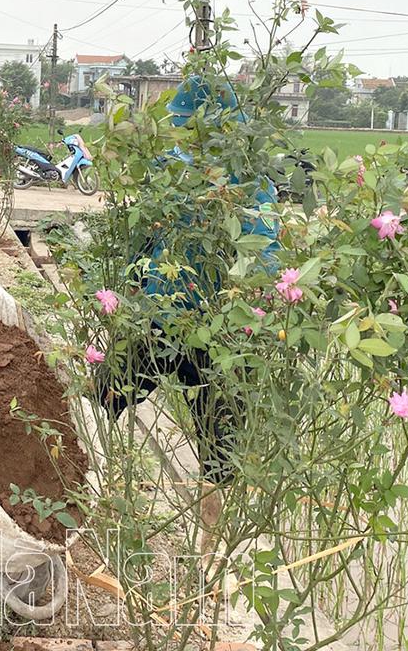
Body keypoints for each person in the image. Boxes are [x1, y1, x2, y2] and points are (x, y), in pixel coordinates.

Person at [95, 75, 278, 548]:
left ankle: (207, 547)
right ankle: (106, 500)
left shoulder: (245, 181)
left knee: (215, 443)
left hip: (208, 332)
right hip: (174, 324)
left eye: (184, 124)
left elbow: (265, 256)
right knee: (109, 393)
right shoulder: (180, 172)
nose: (182, 135)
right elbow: (147, 240)